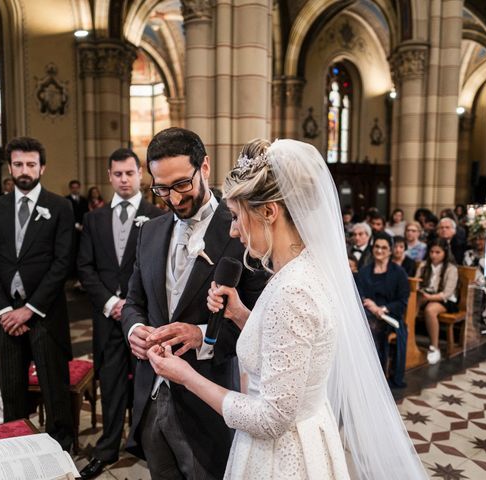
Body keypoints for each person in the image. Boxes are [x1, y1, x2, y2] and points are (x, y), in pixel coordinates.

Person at [146, 139, 426, 479]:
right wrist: (239, 313)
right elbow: (290, 347)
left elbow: (270, 418)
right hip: (308, 431)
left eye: (236, 216)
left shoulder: (292, 290)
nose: (233, 231)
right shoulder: (303, 268)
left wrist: (185, 375)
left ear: (269, 212)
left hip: (283, 455)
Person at [121, 128, 267, 479]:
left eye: (181, 185)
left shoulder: (241, 231)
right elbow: (133, 301)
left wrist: (203, 335)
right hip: (152, 395)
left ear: (204, 167)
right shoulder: (150, 232)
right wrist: (135, 330)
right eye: (161, 188)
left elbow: (262, 323)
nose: (172, 198)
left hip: (208, 399)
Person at [0, 136, 74, 450]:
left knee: (54, 387)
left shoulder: (59, 206)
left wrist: (30, 308)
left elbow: (62, 263)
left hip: (44, 314)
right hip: (6, 318)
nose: (24, 170)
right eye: (18, 163)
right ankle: (15, 447)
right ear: (10, 167)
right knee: (12, 389)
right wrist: (5, 311)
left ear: (42, 167)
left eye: (31, 164)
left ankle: (61, 446)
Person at [77, 149, 163, 479]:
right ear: (109, 175)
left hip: (142, 318)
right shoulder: (94, 219)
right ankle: (108, 446)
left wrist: (131, 306)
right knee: (111, 382)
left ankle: (143, 443)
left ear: (140, 174)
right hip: (107, 317)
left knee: (145, 383)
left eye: (130, 173)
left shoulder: (157, 215)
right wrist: (110, 304)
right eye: (118, 174)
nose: (124, 179)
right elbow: (84, 266)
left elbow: (157, 269)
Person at [356, 233, 410, 387]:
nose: (379, 250)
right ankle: (359, 372)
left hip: (390, 316)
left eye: (384, 247)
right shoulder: (365, 271)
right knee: (363, 324)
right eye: (377, 247)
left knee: (374, 326)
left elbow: (402, 301)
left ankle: (376, 376)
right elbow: (359, 294)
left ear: (390, 250)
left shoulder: (399, 273)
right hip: (368, 312)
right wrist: (372, 307)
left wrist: (382, 309)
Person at [416, 239, 458, 365]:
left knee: (430, 309)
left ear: (445, 253)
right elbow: (416, 284)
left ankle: (434, 347)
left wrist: (429, 297)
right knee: (414, 301)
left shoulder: (451, 269)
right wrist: (422, 292)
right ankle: (408, 339)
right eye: (432, 252)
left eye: (438, 252)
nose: (433, 255)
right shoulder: (424, 266)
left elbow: (447, 293)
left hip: (445, 300)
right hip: (425, 296)